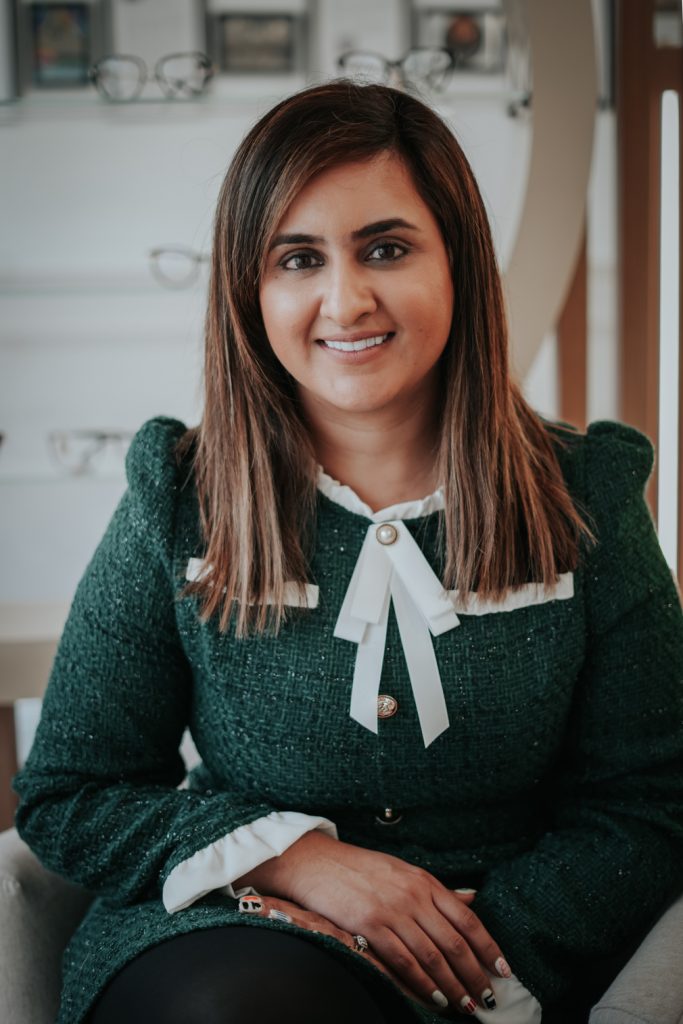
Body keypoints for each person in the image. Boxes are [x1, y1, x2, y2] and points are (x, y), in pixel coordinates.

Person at [13, 80, 683, 1024]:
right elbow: (72, 791)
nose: (345, 298)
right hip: (228, 930)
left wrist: (477, 959)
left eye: (385, 247)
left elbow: (652, 799)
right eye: (297, 258)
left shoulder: (588, 501)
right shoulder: (179, 500)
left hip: (502, 948)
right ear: (251, 291)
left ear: (457, 263)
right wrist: (292, 857)